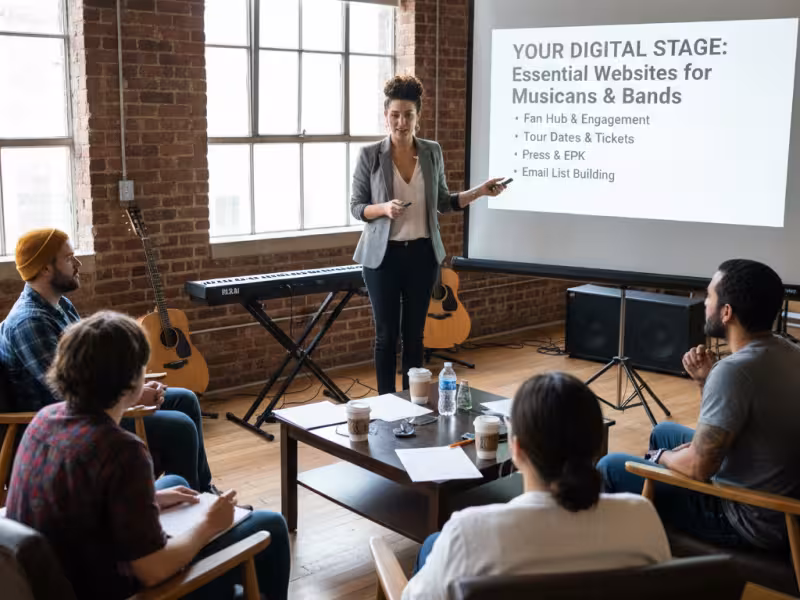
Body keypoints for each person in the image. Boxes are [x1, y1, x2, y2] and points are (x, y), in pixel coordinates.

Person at [5, 311, 290, 600]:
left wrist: (150, 500)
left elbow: (74, 498)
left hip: (61, 574)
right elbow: (153, 571)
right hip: (117, 590)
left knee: (176, 481)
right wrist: (209, 525)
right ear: (131, 382)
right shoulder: (121, 449)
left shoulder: (43, 419)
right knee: (271, 526)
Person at [402, 372, 670, 600]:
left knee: (433, 546)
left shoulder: (468, 534)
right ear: (596, 444)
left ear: (516, 449)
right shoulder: (642, 517)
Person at [598, 259, 800, 551]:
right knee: (665, 430)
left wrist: (662, 457)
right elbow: (739, 426)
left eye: (710, 296)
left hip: (750, 518)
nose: (705, 303)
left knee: (610, 466)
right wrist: (706, 382)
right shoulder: (789, 351)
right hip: (777, 496)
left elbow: (698, 468)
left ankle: (620, 565)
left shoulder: (734, 371)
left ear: (727, 312)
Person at [0, 228, 213, 492]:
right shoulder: (29, 322)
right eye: (69, 258)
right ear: (45, 269)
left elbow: (90, 370)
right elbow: (65, 394)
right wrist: (131, 397)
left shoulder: (60, 304)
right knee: (180, 428)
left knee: (186, 399)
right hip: (66, 424)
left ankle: (203, 492)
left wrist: (136, 387)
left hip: (90, 404)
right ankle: (190, 512)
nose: (77, 264)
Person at [351, 75, 507, 394]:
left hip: (422, 255)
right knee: (386, 336)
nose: (401, 121)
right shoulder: (369, 155)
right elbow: (356, 207)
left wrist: (479, 192)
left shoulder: (431, 151)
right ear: (386, 116)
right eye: (395, 114)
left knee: (415, 336)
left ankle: (413, 400)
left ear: (417, 116)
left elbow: (443, 202)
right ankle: (385, 404)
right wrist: (383, 209)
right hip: (382, 258)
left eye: (408, 114)